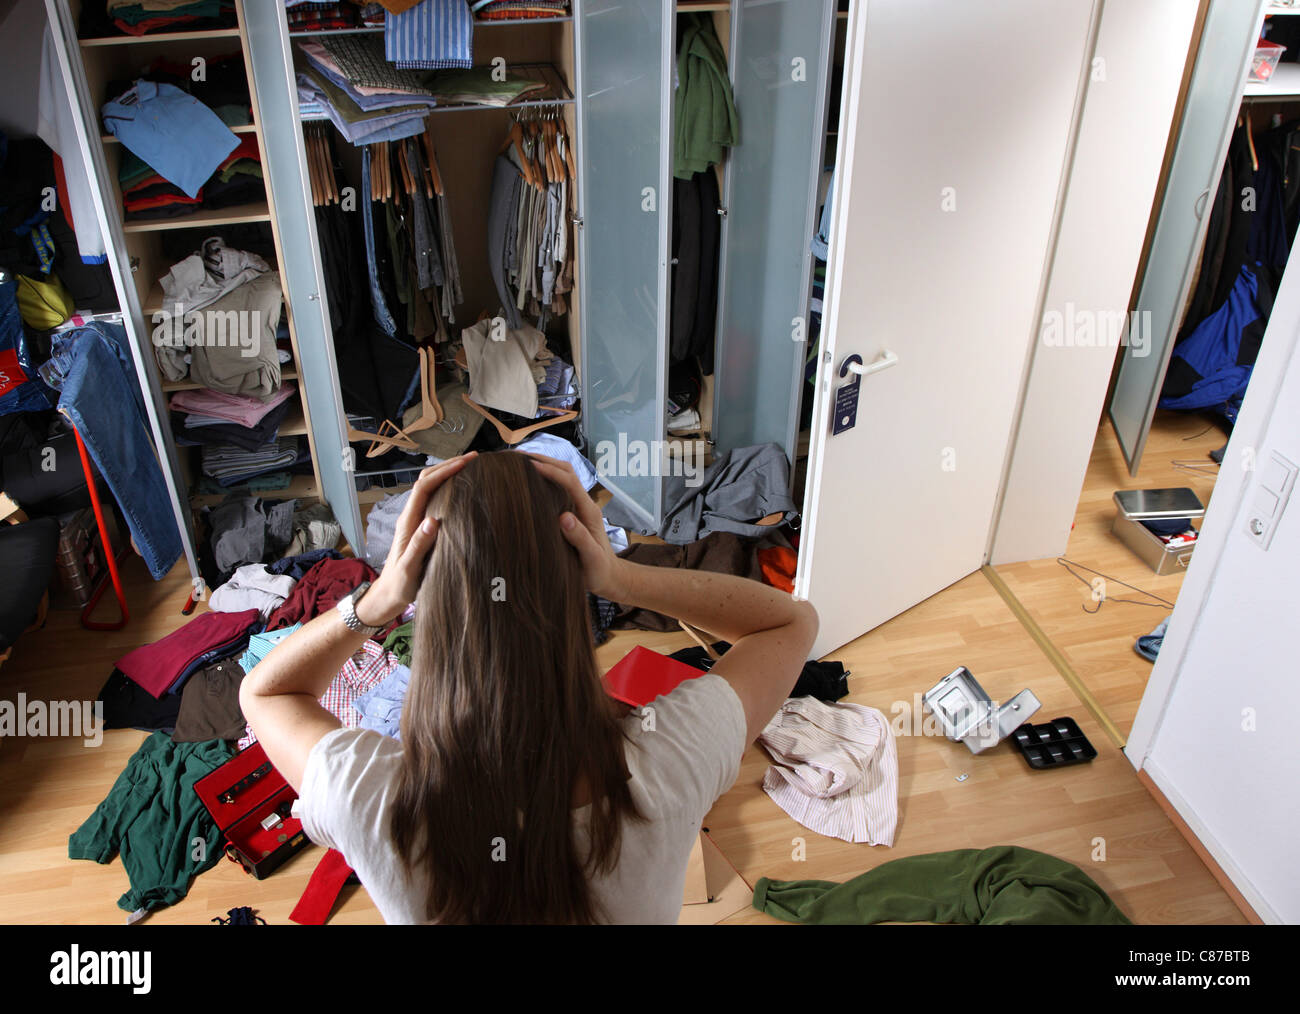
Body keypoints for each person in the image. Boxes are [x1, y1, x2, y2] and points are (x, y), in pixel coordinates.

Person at [240, 450, 818, 923]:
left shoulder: (369, 798)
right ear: (573, 588)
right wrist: (620, 577)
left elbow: (266, 693)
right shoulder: (669, 761)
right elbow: (790, 622)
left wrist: (377, 601)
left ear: (428, 602)